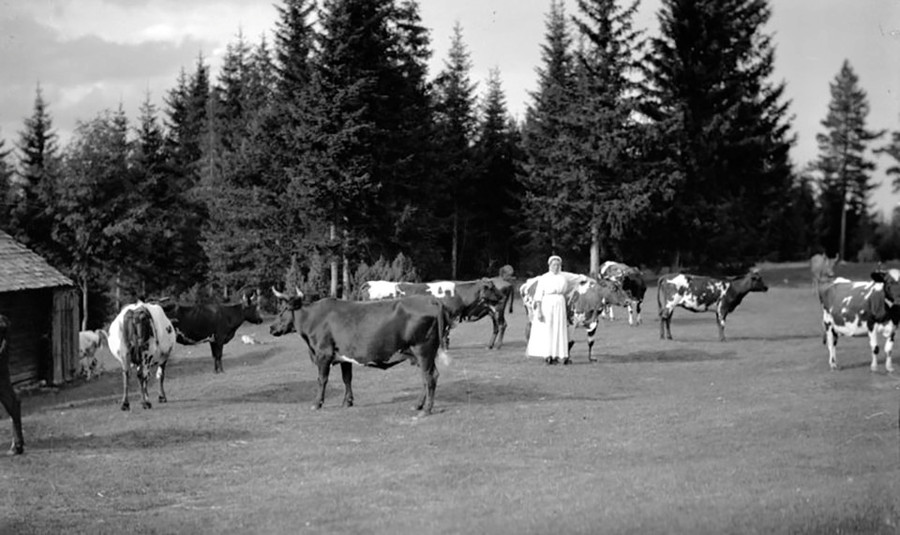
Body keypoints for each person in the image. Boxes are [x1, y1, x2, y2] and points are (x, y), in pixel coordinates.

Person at [526, 255, 571, 365]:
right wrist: (539, 311)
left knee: (559, 328)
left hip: (559, 303)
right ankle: (548, 354)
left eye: (558, 265)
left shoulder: (563, 278)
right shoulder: (544, 278)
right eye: (554, 265)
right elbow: (538, 296)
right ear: (549, 266)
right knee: (548, 329)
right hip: (547, 303)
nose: (556, 267)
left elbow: (566, 292)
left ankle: (559, 354)